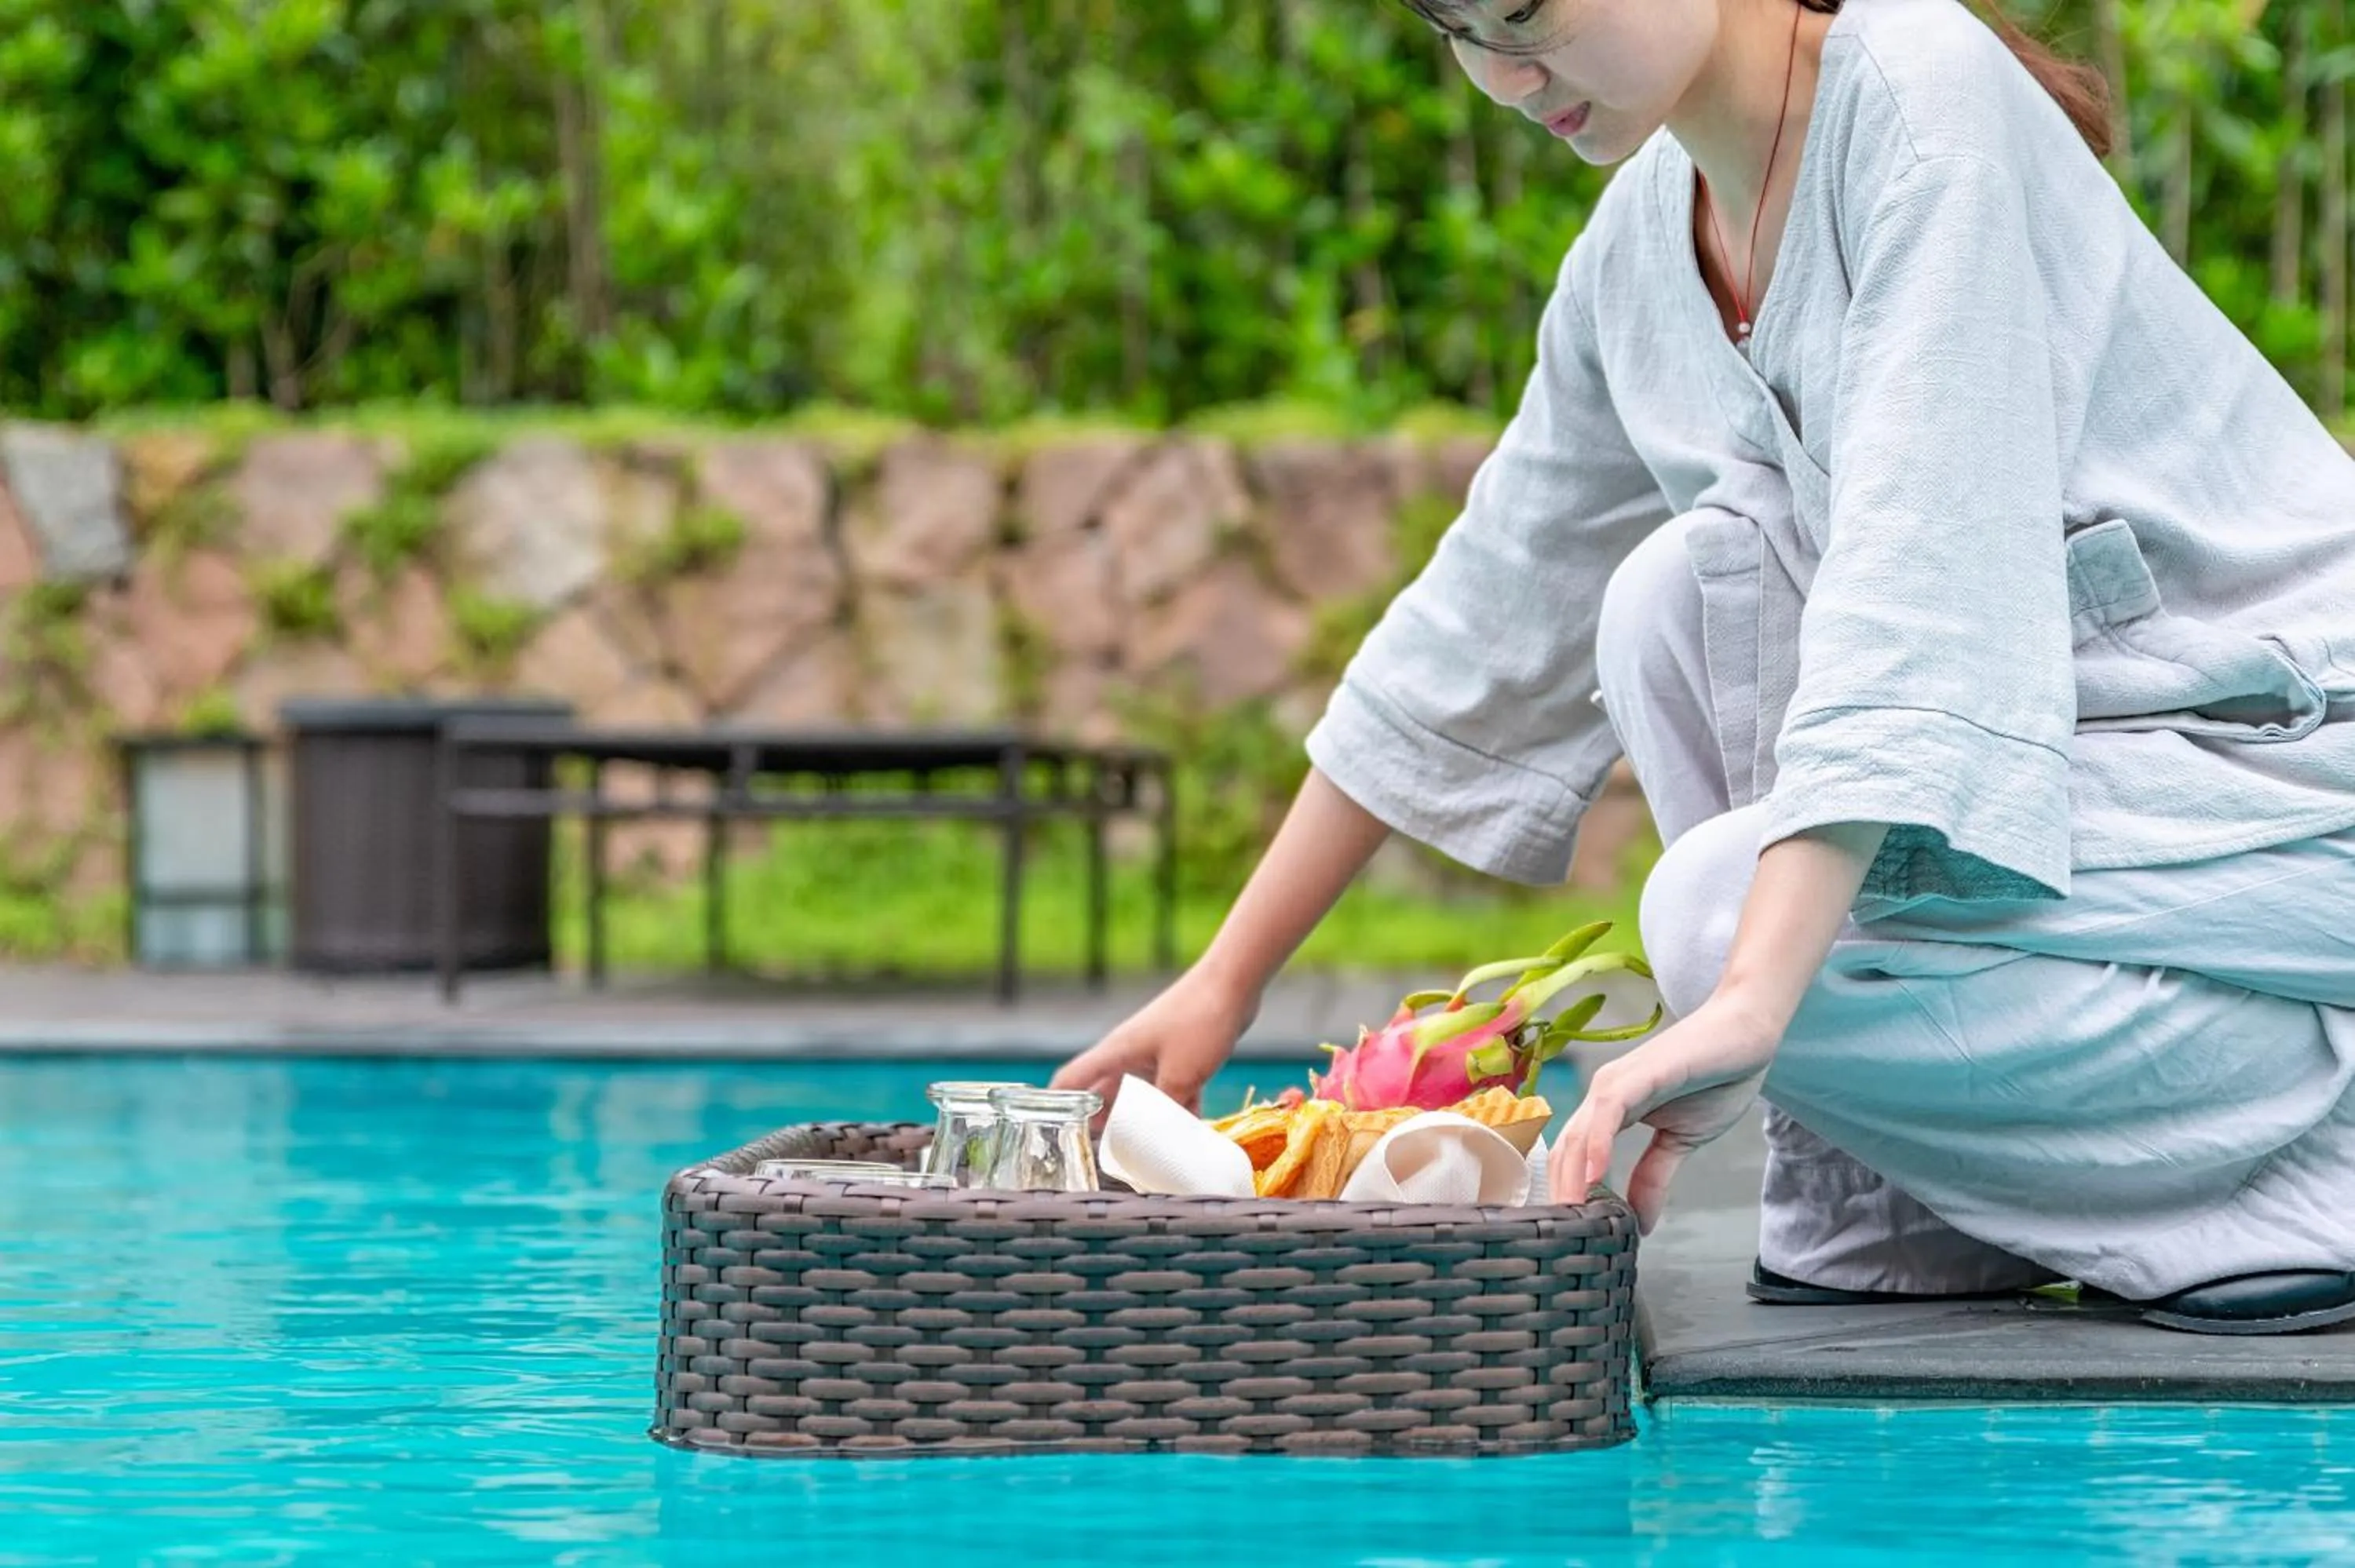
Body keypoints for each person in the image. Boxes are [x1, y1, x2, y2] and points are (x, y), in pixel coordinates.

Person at [1053, 0, 2355, 1336]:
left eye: (1529, 12)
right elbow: (1490, 612)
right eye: (1459, 29)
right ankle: (1900, 1203)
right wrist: (1226, 980)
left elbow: (1920, 584)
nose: (1504, 76)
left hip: (2287, 789)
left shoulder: (1919, 100)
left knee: (1714, 916)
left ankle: (2310, 1171)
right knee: (1669, 595)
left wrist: (1746, 997)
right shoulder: (1642, 239)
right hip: (2106, 806)